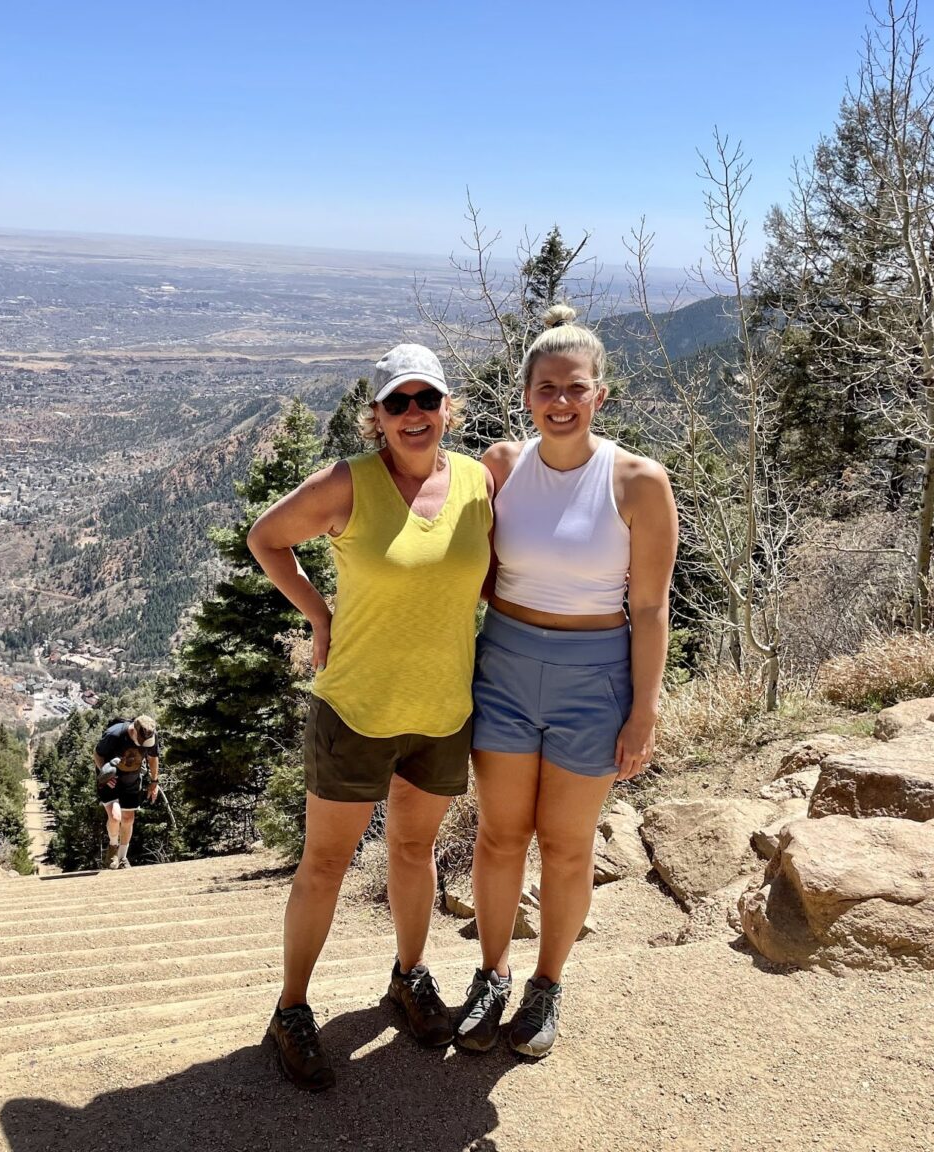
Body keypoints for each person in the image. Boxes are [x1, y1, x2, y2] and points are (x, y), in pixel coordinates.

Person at [247, 343, 492, 1091]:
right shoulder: (346, 485)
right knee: (324, 865)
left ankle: (409, 977)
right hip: (355, 708)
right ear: (376, 417)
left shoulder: (479, 483)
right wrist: (317, 614)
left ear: (449, 408)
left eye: (427, 399)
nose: (414, 414)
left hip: (444, 711)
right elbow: (267, 537)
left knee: (413, 853)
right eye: (398, 402)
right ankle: (291, 1009)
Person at [455, 305, 677, 1059]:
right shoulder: (502, 466)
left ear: (599, 396)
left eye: (574, 388)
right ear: (526, 396)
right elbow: (469, 575)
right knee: (498, 835)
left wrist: (643, 713)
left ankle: (547, 984)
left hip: (595, 677)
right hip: (506, 668)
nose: (560, 400)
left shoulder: (638, 482)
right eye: (546, 387)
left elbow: (649, 608)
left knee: (568, 844)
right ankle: (492, 975)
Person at [92, 715, 161, 869]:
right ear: (134, 731)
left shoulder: (150, 735)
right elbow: (97, 754)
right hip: (111, 780)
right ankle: (112, 848)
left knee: (128, 818)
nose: (144, 745)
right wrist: (104, 774)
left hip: (132, 779)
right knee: (115, 817)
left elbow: (153, 757)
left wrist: (154, 781)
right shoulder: (114, 734)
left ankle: (122, 858)